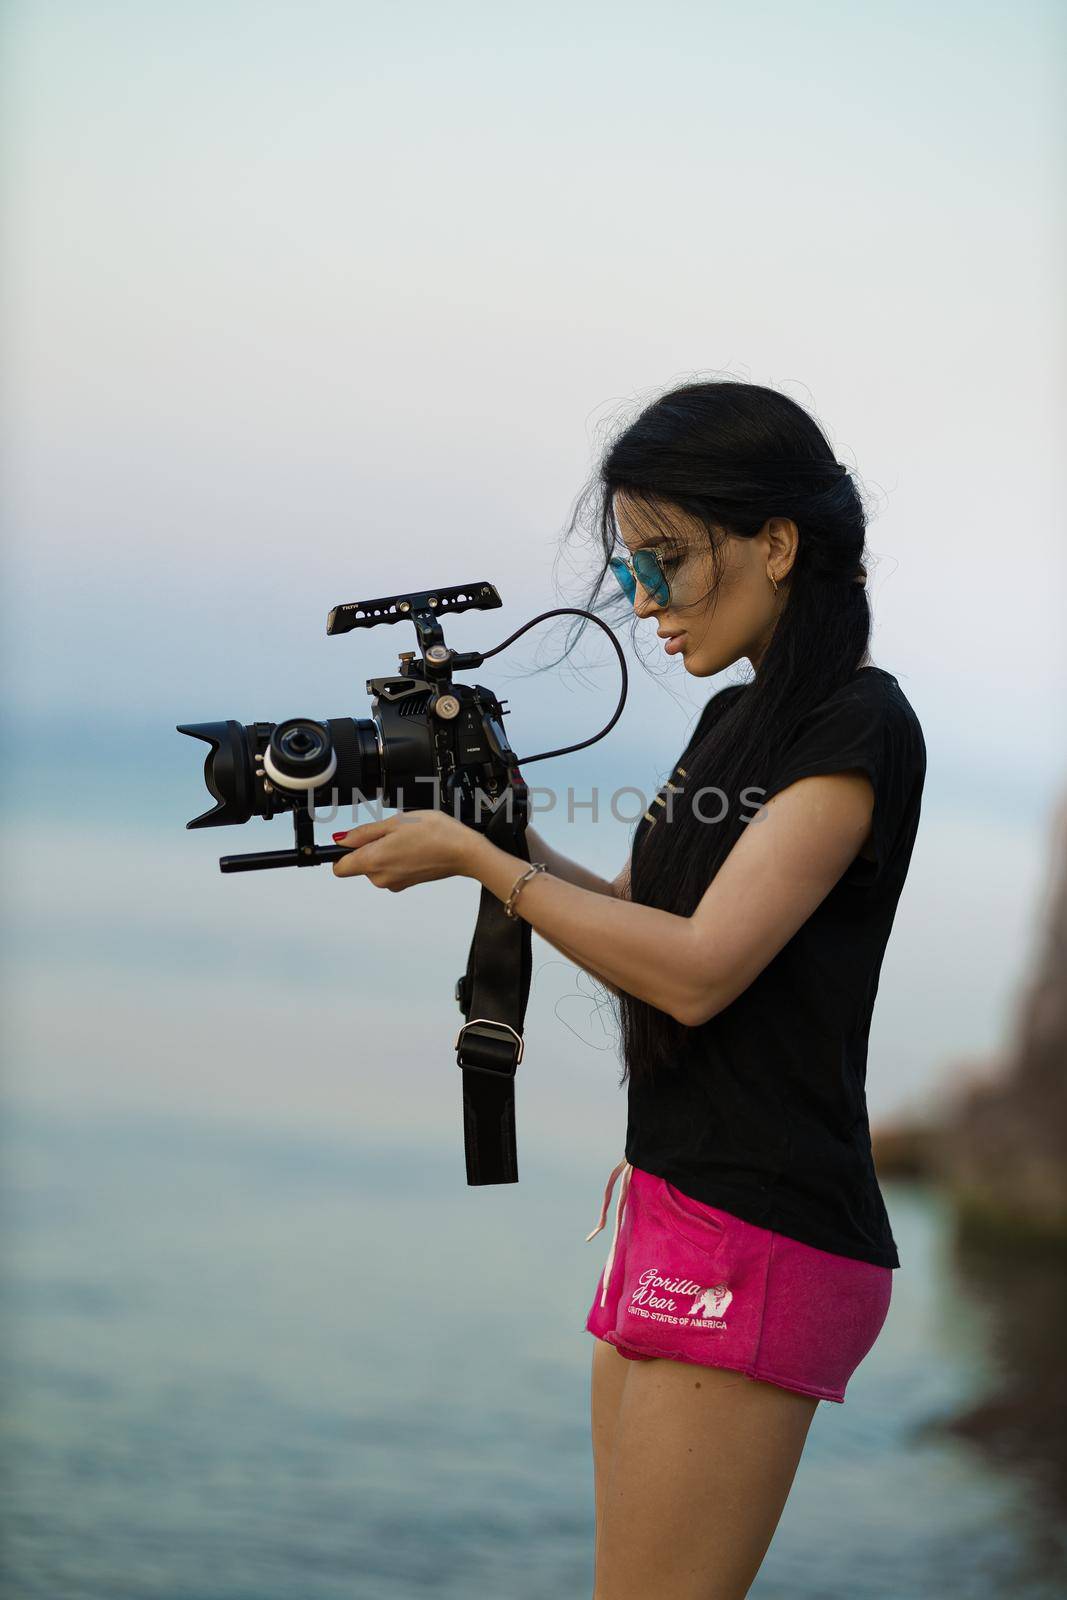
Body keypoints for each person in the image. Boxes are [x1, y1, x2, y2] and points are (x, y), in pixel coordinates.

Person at [331, 379, 927, 1600]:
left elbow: (702, 976)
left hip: (759, 1222)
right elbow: (650, 923)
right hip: (673, 1199)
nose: (643, 601)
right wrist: (496, 836)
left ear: (776, 542)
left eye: (665, 561)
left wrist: (482, 863)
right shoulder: (733, 724)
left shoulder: (853, 725)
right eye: (628, 571)